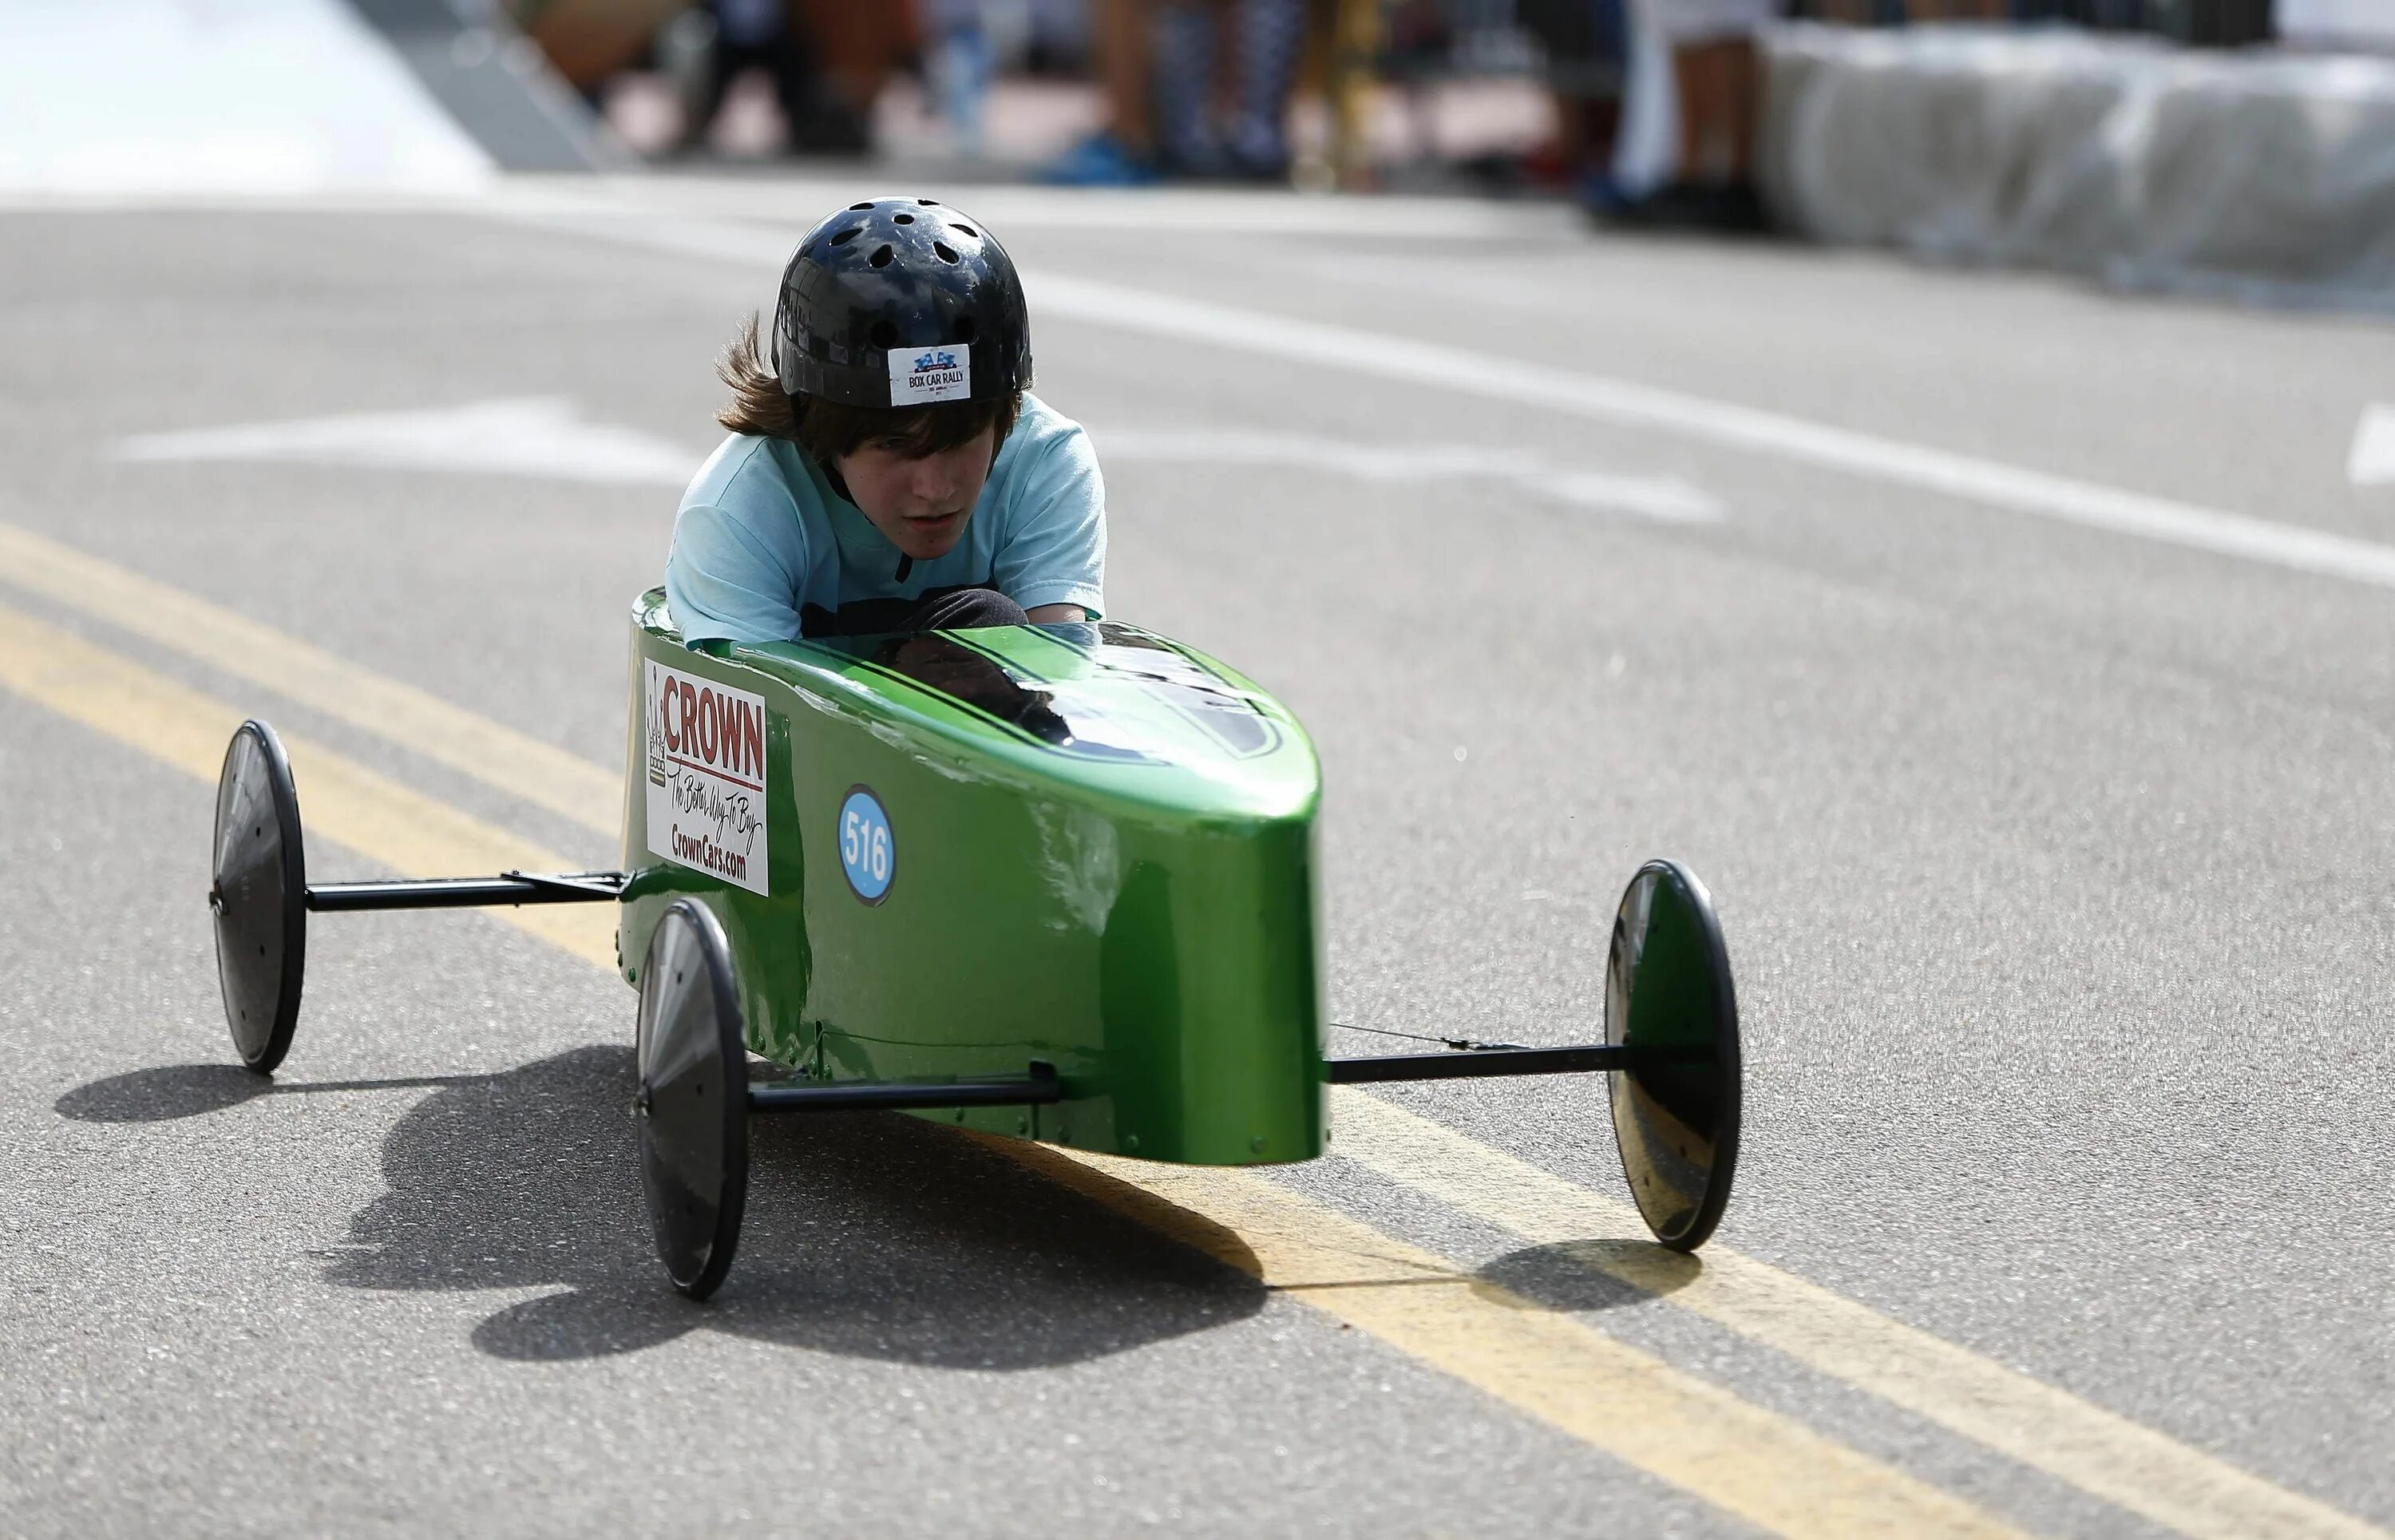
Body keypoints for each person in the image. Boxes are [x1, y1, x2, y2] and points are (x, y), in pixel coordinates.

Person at [664, 197, 1106, 644]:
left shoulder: (1045, 462)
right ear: (819, 428)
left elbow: (1058, 676)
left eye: (963, 439)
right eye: (895, 445)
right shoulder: (739, 511)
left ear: (1004, 417)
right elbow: (761, 705)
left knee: (986, 624)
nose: (935, 489)